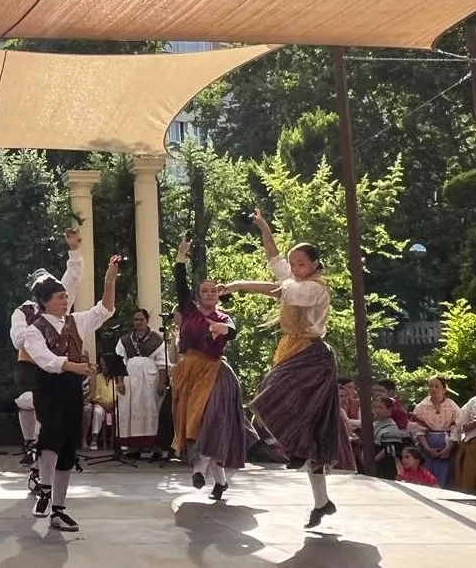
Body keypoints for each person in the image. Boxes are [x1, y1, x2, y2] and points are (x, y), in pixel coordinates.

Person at [231, 208, 345, 529]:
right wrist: (264, 226)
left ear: (315, 265)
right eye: (294, 264)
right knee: (309, 435)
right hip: (292, 349)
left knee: (266, 398)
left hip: (312, 355)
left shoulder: (314, 288)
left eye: (301, 264)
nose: (295, 268)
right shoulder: (296, 279)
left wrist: (239, 284)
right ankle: (322, 502)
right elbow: (274, 258)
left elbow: (278, 288)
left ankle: (294, 445)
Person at [12, 251, 120, 533]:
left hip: (71, 387)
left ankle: (58, 508)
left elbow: (104, 310)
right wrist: (79, 366)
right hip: (48, 386)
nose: (65, 300)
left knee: (69, 443)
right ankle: (44, 489)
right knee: (52, 432)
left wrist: (110, 280)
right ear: (45, 301)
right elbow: (46, 361)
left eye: (65, 296)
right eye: (60, 297)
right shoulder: (34, 330)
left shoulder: (75, 321)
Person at [170, 238, 250, 501]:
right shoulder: (189, 311)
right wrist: (181, 258)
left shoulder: (224, 317)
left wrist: (223, 329)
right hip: (190, 371)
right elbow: (180, 284)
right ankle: (221, 482)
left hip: (215, 373)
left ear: (219, 295)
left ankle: (199, 472)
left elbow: (233, 332)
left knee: (211, 418)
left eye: (214, 291)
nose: (209, 294)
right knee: (196, 423)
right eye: (205, 291)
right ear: (198, 295)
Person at [13, 229, 83, 460]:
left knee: (55, 410)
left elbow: (72, 279)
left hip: (58, 366)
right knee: (28, 401)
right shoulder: (23, 312)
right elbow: (18, 339)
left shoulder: (59, 303)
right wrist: (39, 332)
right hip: (31, 366)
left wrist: (74, 250)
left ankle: (46, 447)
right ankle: (29, 442)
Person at [114, 309, 168, 456]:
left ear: (147, 321)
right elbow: (120, 361)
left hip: (149, 379)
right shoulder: (125, 340)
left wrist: (162, 383)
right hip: (129, 378)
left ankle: (149, 445)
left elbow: (162, 363)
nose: (138, 322)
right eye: (136, 320)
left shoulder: (157, 340)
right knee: (129, 409)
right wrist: (119, 381)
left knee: (149, 408)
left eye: (141, 320)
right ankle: (133, 447)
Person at [411, 376, 460, 487]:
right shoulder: (421, 407)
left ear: (444, 389)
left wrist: (448, 448)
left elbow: (457, 428)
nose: (433, 389)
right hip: (426, 443)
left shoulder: (452, 406)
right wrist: (427, 449)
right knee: (426, 474)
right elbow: (418, 429)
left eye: (437, 386)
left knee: (445, 475)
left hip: (446, 444)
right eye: (430, 386)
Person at [371, 396, 409, 481]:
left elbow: (389, 449)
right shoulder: (375, 424)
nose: (376, 410)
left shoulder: (391, 427)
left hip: (385, 466)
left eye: (380, 407)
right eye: (374, 407)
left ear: (389, 409)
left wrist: (373, 461)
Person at [83, 365, 114, 451]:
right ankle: (94, 439)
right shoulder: (97, 378)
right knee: (97, 412)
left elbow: (119, 394)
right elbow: (94, 395)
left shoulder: (115, 378)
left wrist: (113, 404)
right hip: (100, 404)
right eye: (104, 367)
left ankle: (120, 441)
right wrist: (103, 404)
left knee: (120, 413)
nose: (105, 369)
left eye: (107, 367)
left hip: (114, 405)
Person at [451, 394, 476, 493]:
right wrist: (474, 423)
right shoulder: (473, 402)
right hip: (473, 445)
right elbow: (460, 427)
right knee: (469, 481)